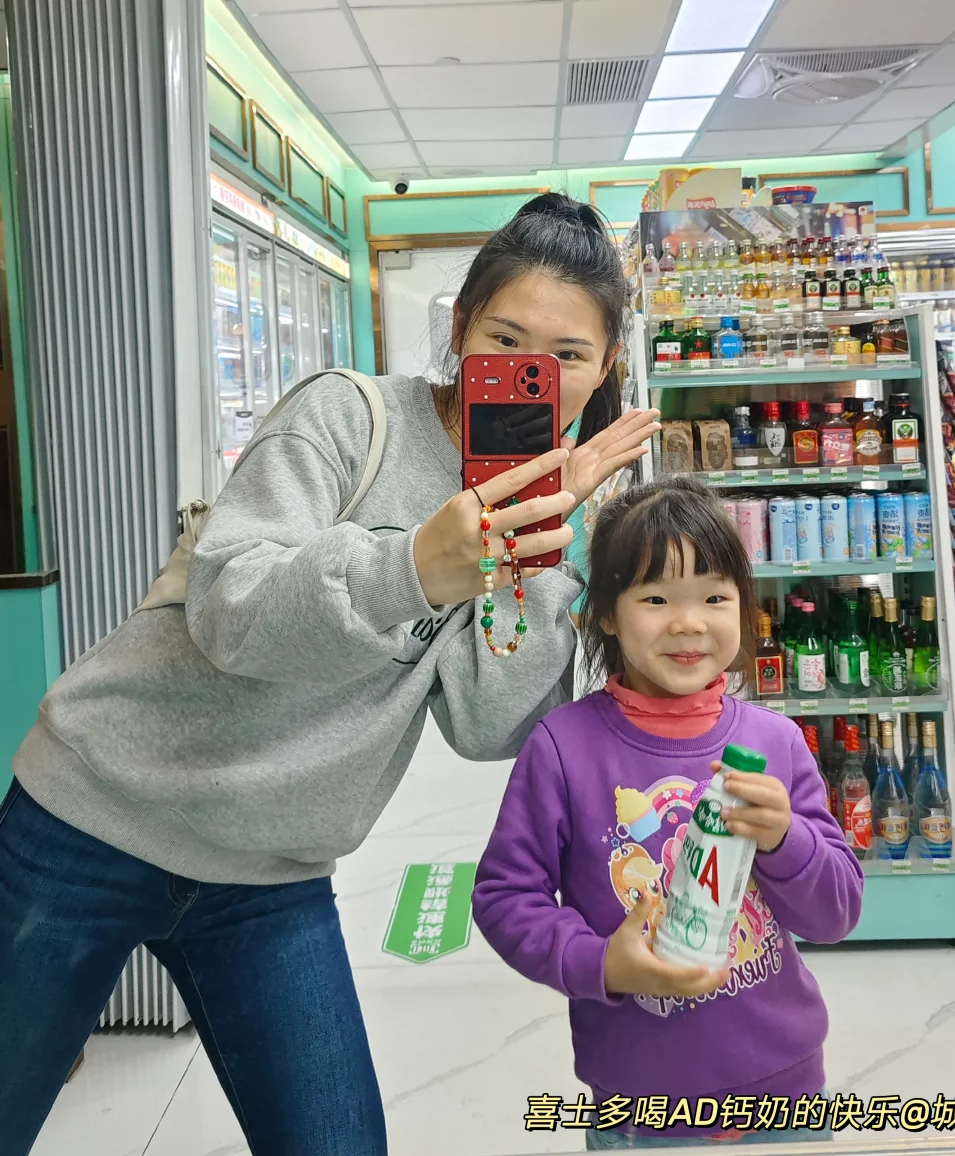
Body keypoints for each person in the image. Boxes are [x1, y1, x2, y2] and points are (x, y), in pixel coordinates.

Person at [0, 193, 659, 1156]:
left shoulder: (553, 507)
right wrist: (415, 566)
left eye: (569, 355)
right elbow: (228, 613)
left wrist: (540, 554)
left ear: (605, 370)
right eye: (505, 339)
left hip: (270, 874)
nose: (533, 375)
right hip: (91, 819)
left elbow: (487, 728)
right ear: (461, 328)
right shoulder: (349, 417)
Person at [472, 477, 864, 1149]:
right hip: (640, 1109)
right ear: (605, 613)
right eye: (656, 598)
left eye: (714, 597)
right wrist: (602, 964)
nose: (689, 623)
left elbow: (836, 913)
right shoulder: (563, 748)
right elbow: (505, 897)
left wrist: (784, 839)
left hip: (786, 1093)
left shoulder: (774, 744)